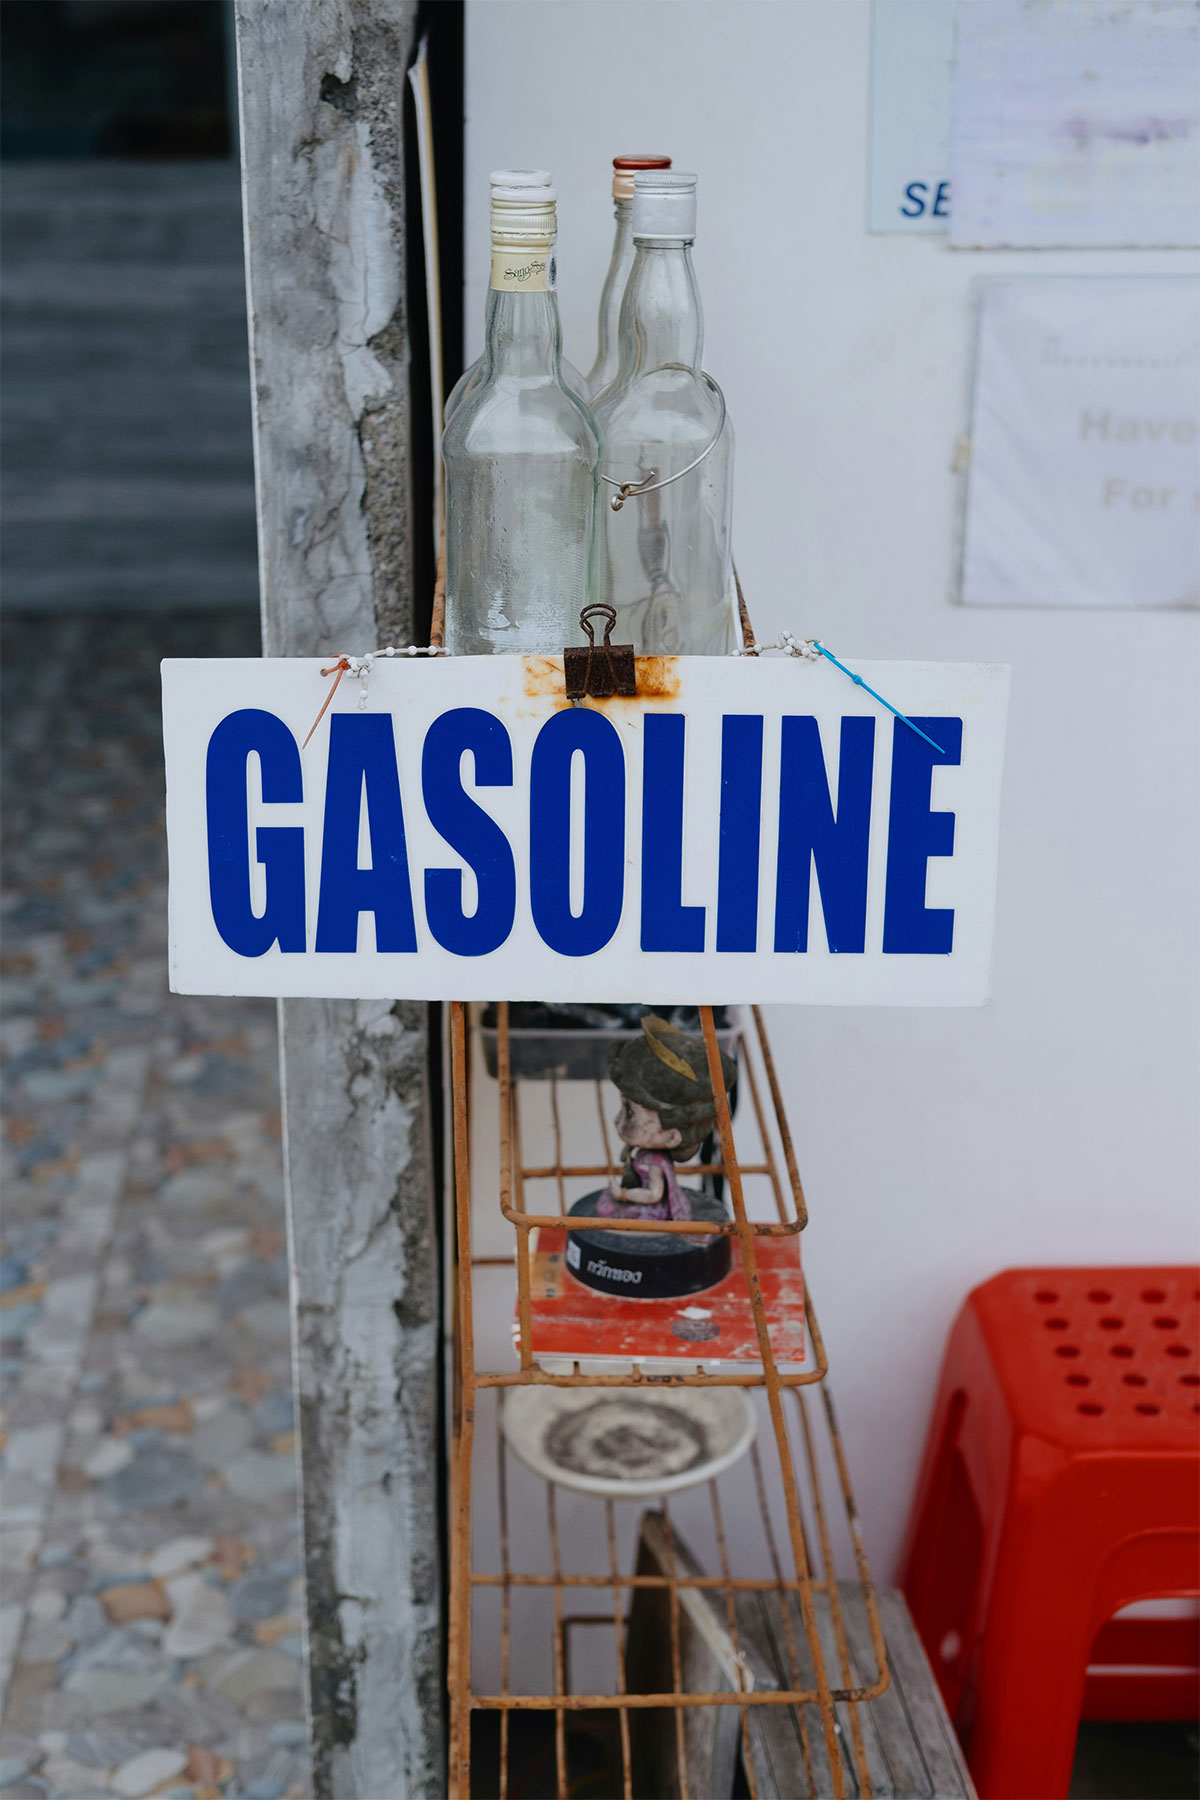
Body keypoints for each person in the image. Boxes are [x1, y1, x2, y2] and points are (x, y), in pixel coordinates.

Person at [596, 1015, 735, 1223]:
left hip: (652, 1213)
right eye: (622, 1110)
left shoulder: (656, 1163)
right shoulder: (646, 1154)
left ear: (672, 1137)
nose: (617, 1120)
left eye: (630, 1113)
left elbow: (654, 1195)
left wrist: (622, 1194)